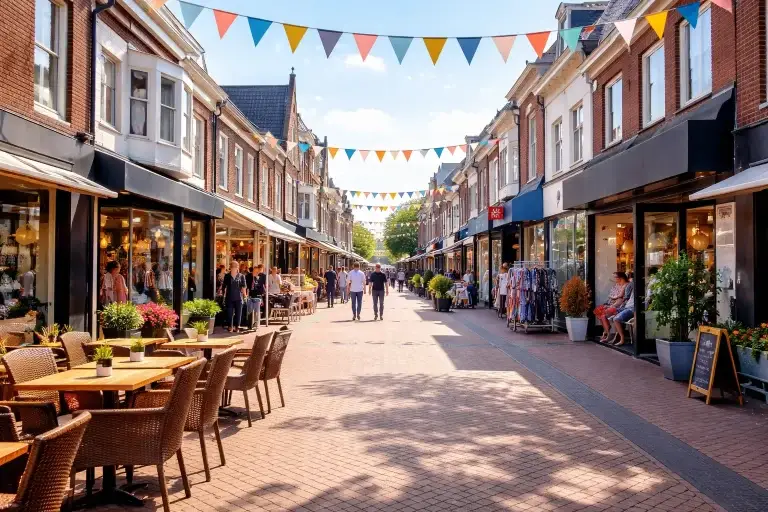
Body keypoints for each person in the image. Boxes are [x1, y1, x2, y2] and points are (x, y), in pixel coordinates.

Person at [594, 272, 629, 342]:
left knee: (603, 314)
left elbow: (620, 299)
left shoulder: (626, 285)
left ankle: (608, 333)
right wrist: (610, 303)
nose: (614, 279)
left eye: (615, 277)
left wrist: (612, 304)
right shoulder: (617, 285)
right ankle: (606, 329)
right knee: (597, 311)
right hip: (613, 303)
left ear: (620, 278)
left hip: (620, 306)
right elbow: (611, 296)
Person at [222, 261, 247, 333]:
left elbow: (244, 287)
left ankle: (237, 326)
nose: (234, 268)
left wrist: (245, 296)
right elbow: (224, 287)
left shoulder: (241, 276)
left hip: (239, 297)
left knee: (238, 313)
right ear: (231, 268)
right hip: (229, 297)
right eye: (232, 267)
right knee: (229, 313)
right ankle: (230, 326)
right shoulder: (227, 276)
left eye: (235, 267)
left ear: (237, 267)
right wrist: (224, 295)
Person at [246, 264, 266, 329]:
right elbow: (246, 286)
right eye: (255, 271)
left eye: (257, 272)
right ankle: (249, 325)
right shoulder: (248, 276)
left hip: (258, 295)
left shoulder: (261, 277)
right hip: (250, 295)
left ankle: (256, 324)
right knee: (250, 310)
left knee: (257, 310)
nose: (256, 273)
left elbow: (262, 286)